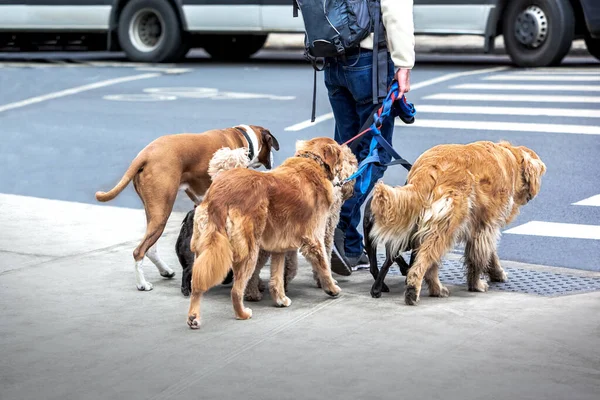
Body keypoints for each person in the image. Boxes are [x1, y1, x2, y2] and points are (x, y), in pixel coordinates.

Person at [324, 0, 415, 275]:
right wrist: (403, 64)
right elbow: (395, 9)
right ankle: (335, 224)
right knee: (375, 156)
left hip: (332, 58)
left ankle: (350, 248)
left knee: (344, 154)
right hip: (368, 62)